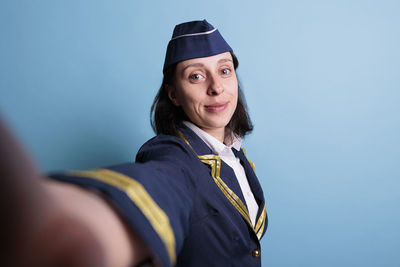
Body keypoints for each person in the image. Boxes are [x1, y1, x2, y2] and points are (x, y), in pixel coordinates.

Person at [1, 19, 267, 267]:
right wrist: (56, 225)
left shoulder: (236, 157)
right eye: (196, 76)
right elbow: (159, 185)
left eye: (224, 70)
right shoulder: (174, 158)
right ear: (173, 94)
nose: (216, 87)